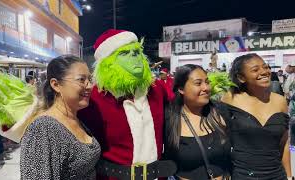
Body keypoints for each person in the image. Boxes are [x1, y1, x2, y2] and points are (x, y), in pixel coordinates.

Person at [78, 29, 176, 180]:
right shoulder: (93, 97)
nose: (134, 58)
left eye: (136, 52)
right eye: (124, 53)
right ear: (107, 63)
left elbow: (182, 110)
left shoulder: (157, 89)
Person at [20, 55, 101, 179]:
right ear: (56, 85)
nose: (89, 86)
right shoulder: (43, 128)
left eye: (89, 79)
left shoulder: (76, 119)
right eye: (81, 80)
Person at [220, 53, 291, 180]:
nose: (264, 72)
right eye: (255, 70)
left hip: (277, 175)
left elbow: (284, 143)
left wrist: (289, 175)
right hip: (242, 175)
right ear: (241, 78)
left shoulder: (280, 101)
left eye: (265, 67)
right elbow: (222, 140)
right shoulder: (230, 99)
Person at [164, 64, 231, 180]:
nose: (206, 88)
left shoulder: (221, 110)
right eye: (198, 83)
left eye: (207, 82)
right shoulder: (168, 118)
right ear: (181, 89)